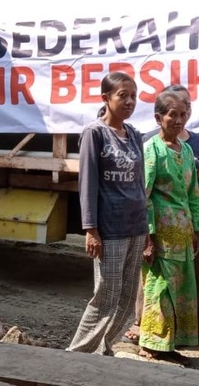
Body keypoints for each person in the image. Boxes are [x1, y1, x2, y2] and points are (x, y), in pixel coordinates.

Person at [67, 72, 147, 356]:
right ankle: (74, 355)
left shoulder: (135, 134)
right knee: (106, 296)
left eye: (133, 96)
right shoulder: (95, 133)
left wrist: (147, 228)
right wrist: (91, 229)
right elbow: (87, 183)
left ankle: (102, 349)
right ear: (106, 99)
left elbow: (140, 182)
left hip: (136, 225)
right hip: (109, 228)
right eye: (122, 95)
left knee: (126, 298)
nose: (129, 101)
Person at [125, 85, 199, 343]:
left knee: (180, 288)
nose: (179, 120)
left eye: (183, 114)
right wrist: (148, 238)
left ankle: (171, 343)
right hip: (159, 235)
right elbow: (143, 195)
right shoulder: (151, 149)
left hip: (182, 236)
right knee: (158, 288)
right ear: (158, 118)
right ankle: (152, 343)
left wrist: (195, 230)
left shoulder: (186, 151)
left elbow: (193, 194)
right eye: (172, 114)